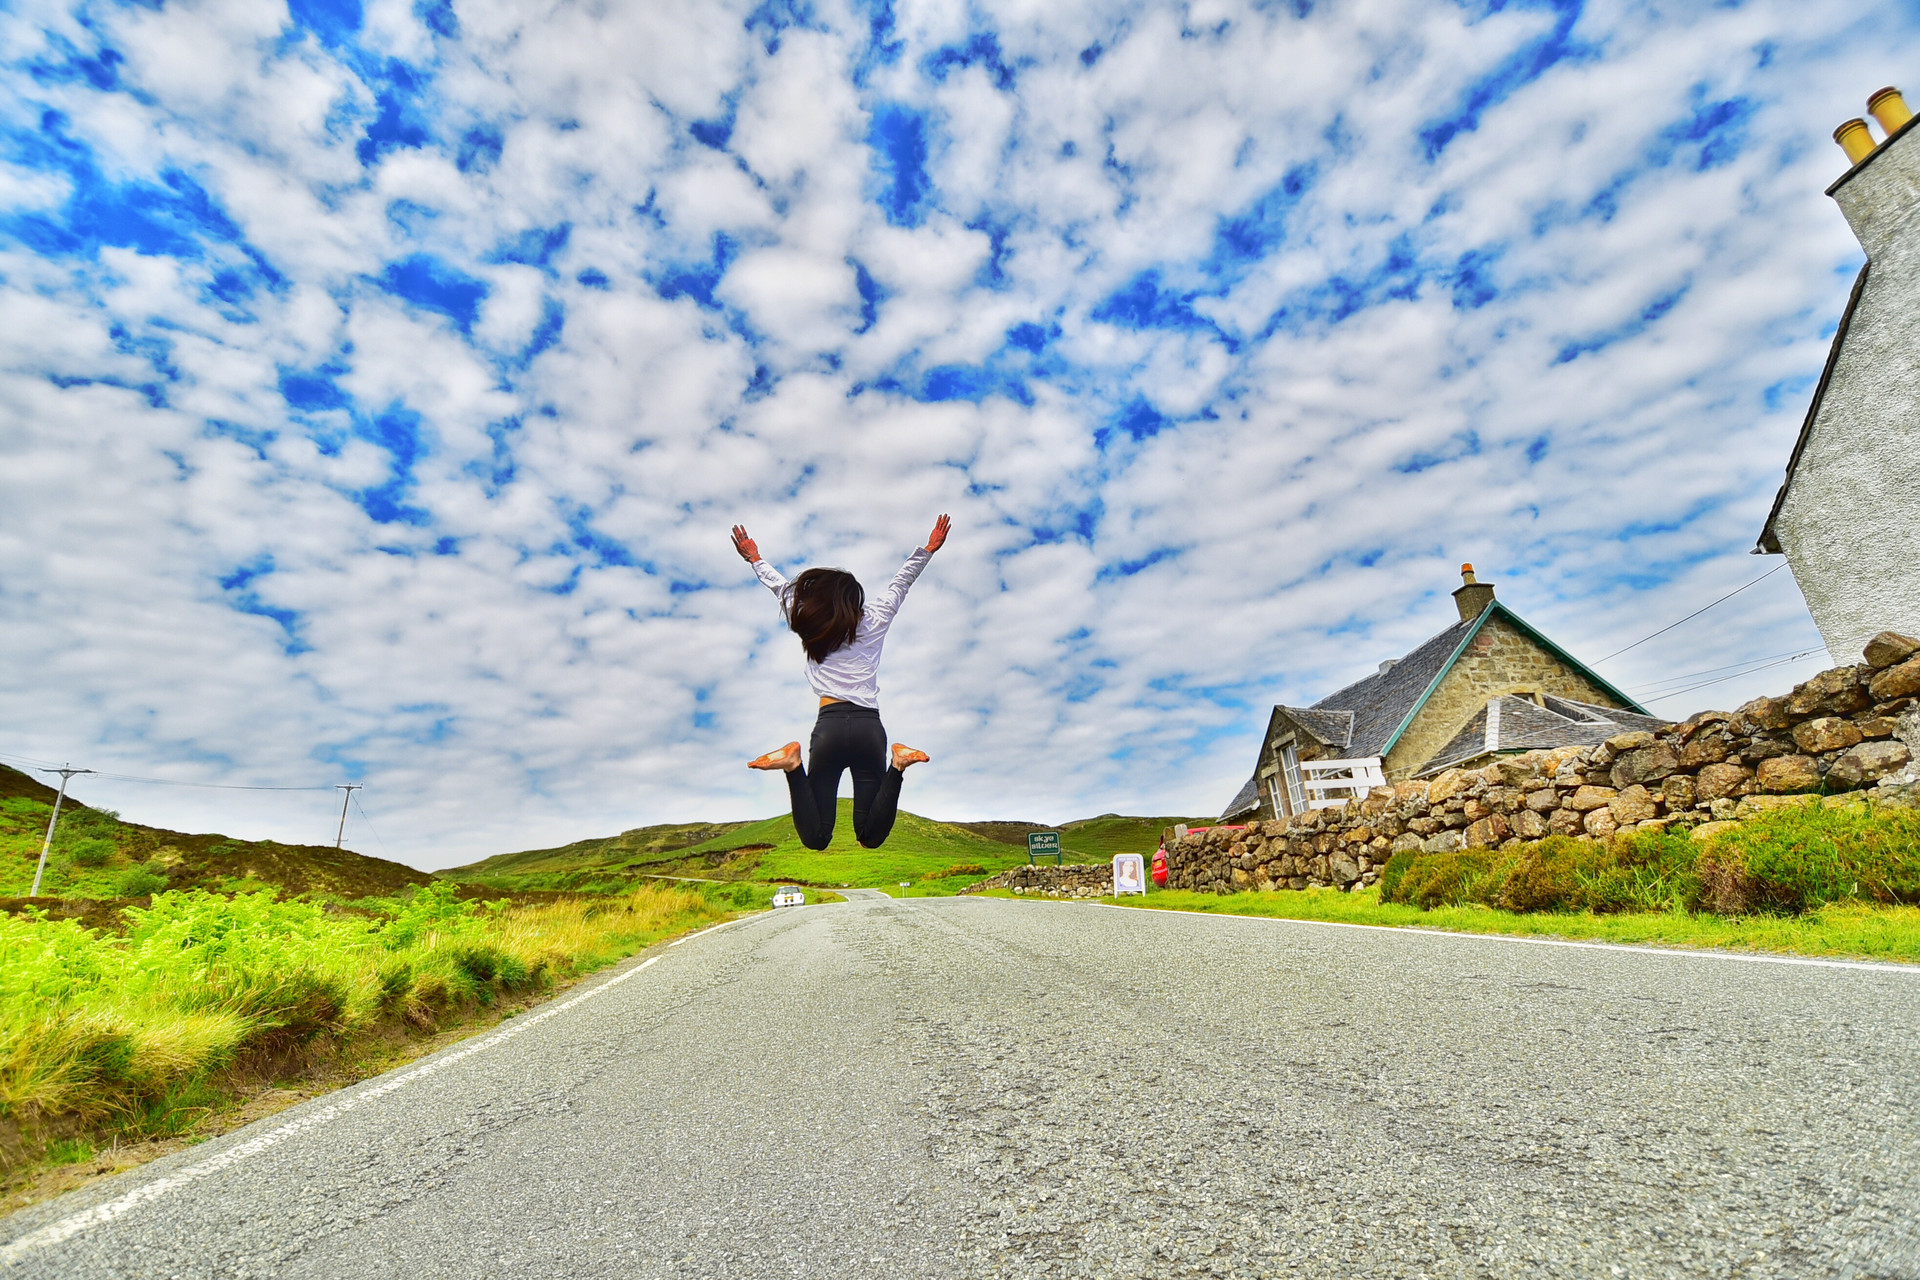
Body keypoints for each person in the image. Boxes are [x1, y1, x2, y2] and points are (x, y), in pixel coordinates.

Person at [731, 515, 950, 850]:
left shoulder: (811, 620)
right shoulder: (875, 618)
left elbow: (779, 586)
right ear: (855, 599)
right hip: (868, 729)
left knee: (817, 838)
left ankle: (792, 764)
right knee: (870, 836)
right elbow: (901, 582)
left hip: (829, 728)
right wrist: (928, 549)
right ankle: (898, 764)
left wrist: (755, 558)